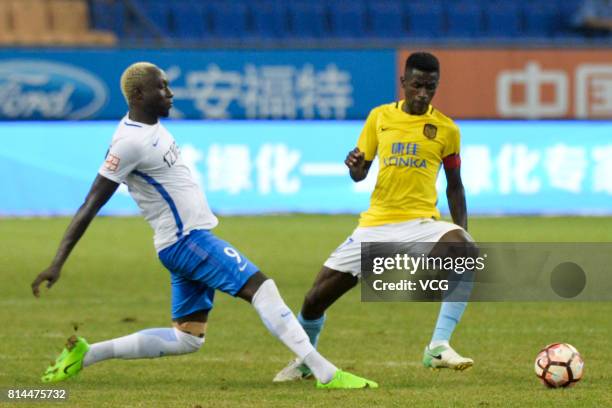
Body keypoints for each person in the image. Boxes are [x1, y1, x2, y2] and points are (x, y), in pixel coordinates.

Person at [31, 62, 377, 390]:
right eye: (161, 87)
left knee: (187, 338)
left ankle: (87, 354)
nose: (170, 93)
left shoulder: (150, 128)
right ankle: (325, 373)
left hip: (182, 243)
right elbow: (91, 203)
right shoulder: (129, 142)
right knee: (261, 287)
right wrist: (57, 262)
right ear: (138, 95)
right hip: (186, 241)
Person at [274, 52, 476, 382]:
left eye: (430, 87)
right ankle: (307, 361)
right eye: (417, 86)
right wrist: (355, 166)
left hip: (421, 223)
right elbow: (360, 172)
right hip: (375, 226)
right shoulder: (379, 117)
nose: (423, 94)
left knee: (466, 252)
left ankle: (438, 345)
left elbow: (455, 186)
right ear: (403, 83)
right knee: (314, 301)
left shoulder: (447, 130)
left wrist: (462, 233)